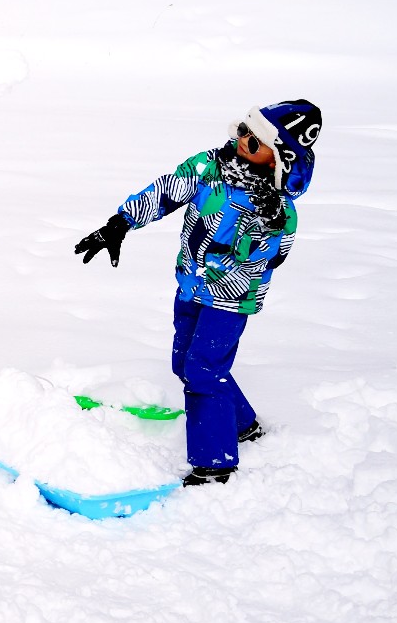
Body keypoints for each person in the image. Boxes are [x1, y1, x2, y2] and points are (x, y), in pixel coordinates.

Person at [73, 100, 322, 485]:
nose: (242, 140)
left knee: (203, 369)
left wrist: (267, 226)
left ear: (279, 159)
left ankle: (215, 464)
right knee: (184, 362)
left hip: (232, 297)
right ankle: (243, 425)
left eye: (255, 142)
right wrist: (120, 223)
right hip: (191, 284)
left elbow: (275, 256)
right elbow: (166, 190)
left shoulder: (278, 208)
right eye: (242, 130)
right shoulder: (210, 168)